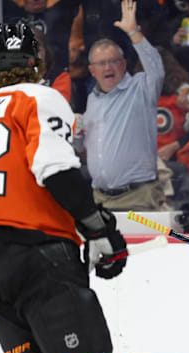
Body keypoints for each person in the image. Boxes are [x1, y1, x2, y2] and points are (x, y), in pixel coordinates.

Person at [0, 21, 127, 353]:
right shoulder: (38, 98)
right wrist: (97, 229)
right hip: (37, 257)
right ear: (38, 60)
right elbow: (56, 169)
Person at [79, 0, 166, 211]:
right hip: (100, 199)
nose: (108, 67)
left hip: (137, 197)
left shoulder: (141, 88)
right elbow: (83, 148)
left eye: (114, 61)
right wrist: (76, 135)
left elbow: (157, 68)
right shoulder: (92, 100)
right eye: (101, 63)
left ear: (124, 64)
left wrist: (133, 32)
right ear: (92, 71)